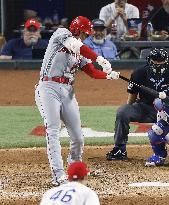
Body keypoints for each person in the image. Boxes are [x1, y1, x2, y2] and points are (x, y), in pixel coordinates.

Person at [35, 16, 120, 185]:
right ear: (75, 29)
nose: (84, 36)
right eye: (83, 33)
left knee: (78, 136)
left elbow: (92, 73)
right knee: (53, 130)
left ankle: (74, 167)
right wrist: (100, 59)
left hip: (68, 91)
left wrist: (109, 76)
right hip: (48, 87)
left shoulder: (79, 52)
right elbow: (77, 46)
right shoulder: (62, 33)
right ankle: (58, 174)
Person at [106, 48, 169, 160]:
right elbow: (131, 99)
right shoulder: (139, 73)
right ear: (150, 60)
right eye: (155, 60)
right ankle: (119, 149)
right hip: (145, 108)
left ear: (167, 60)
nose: (158, 63)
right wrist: (128, 110)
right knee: (123, 111)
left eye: (161, 60)